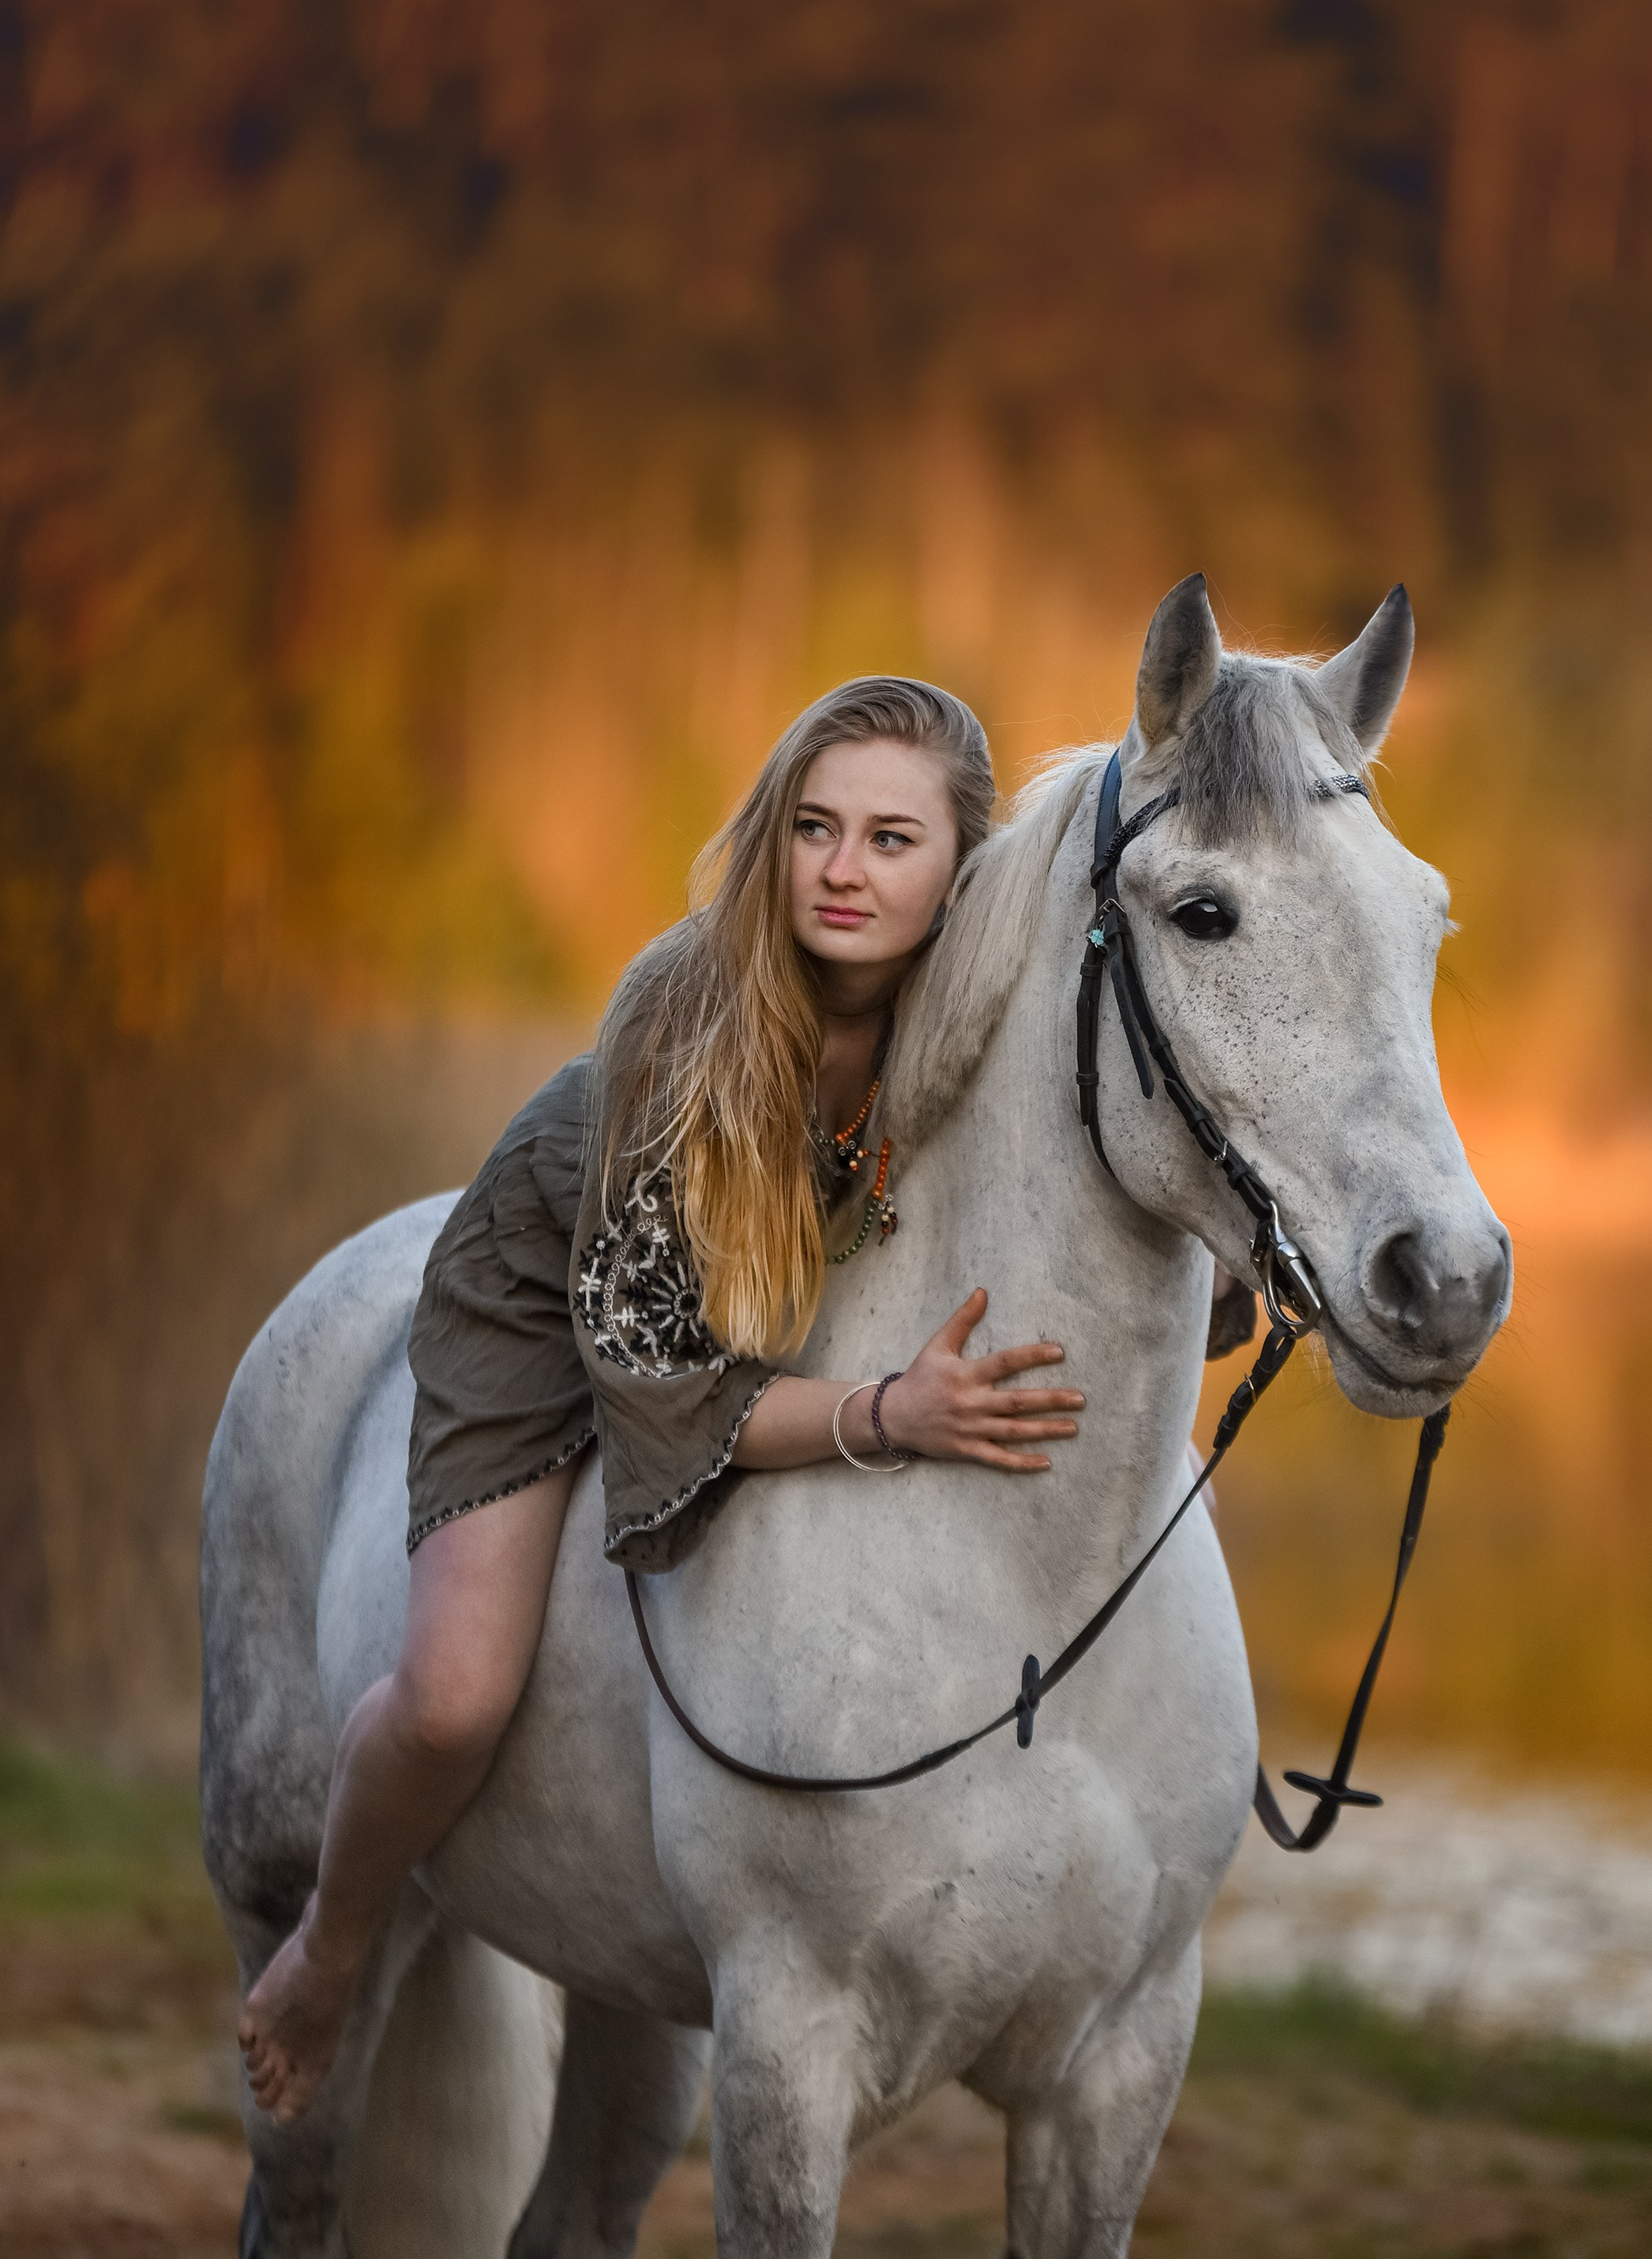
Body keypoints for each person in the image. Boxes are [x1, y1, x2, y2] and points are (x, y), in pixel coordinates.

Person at [238, 677, 1087, 2122]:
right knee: (452, 1698)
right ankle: (332, 1944)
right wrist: (889, 1413)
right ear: (773, 837)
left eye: (892, 839)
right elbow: (667, 1382)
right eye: (814, 827)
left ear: (963, 872)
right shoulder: (687, 1019)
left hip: (770, 1305)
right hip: (557, 1304)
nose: (841, 868)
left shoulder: (977, 1024)